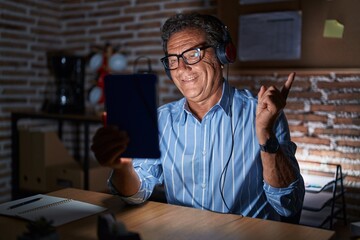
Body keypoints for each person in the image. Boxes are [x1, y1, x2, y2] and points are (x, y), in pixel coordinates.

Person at [91, 13, 305, 221]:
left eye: (193, 54)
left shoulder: (262, 114)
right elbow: (136, 195)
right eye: (173, 59)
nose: (182, 68)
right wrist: (122, 168)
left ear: (223, 55)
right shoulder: (160, 120)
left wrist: (266, 137)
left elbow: (288, 205)